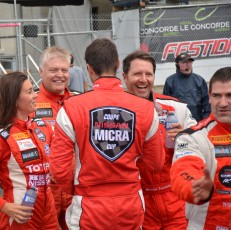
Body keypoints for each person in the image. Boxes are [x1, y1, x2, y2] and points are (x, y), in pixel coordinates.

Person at [49, 38, 164, 229]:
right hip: (131, 203)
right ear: (118, 65)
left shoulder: (71, 107)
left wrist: (78, 189)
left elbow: (59, 170)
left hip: (88, 204)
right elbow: (156, 163)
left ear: (89, 69)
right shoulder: (146, 108)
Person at [0, 72, 58, 230]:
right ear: (14, 99)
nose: (36, 95)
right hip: (20, 215)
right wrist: (4, 206)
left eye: (34, 90)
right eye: (29, 92)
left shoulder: (42, 127)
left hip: (48, 210)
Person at [123, 50, 197, 229]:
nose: (143, 79)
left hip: (175, 200)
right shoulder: (114, 113)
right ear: (125, 77)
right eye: (137, 74)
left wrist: (184, 136)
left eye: (148, 74)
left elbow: (200, 147)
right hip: (138, 202)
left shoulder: (175, 107)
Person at [170, 66, 231, 229]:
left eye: (230, 95)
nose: (223, 103)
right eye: (217, 96)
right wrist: (194, 186)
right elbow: (183, 169)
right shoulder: (193, 136)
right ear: (209, 97)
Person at [32, 46, 73, 230]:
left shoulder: (78, 102)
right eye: (53, 70)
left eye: (64, 70)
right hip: (43, 191)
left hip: (74, 188)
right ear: (41, 71)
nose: (60, 75)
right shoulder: (28, 103)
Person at [163, 53, 211, 122]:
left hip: (197, 123)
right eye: (184, 62)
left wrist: (204, 121)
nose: (187, 64)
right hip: (177, 123)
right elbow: (166, 104)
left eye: (189, 62)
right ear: (177, 65)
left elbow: (207, 105)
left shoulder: (200, 80)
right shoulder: (170, 81)